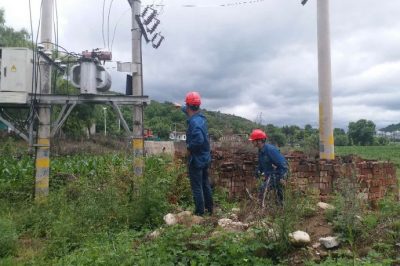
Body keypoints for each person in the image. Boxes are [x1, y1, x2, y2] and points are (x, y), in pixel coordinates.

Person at [181, 91, 213, 216]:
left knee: (197, 186)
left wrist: (189, 147)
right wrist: (180, 107)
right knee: (205, 183)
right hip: (205, 158)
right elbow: (188, 110)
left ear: (189, 106)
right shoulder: (201, 118)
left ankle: (199, 213)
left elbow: (199, 139)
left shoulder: (193, 123)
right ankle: (210, 209)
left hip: (196, 159)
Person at [249, 129, 288, 205]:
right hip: (271, 175)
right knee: (278, 196)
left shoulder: (270, 150)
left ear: (259, 141)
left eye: (253, 140)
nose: (251, 142)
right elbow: (261, 165)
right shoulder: (260, 151)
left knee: (263, 189)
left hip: (278, 174)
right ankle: (279, 209)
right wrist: (256, 173)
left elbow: (283, 164)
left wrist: (282, 178)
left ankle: (261, 209)